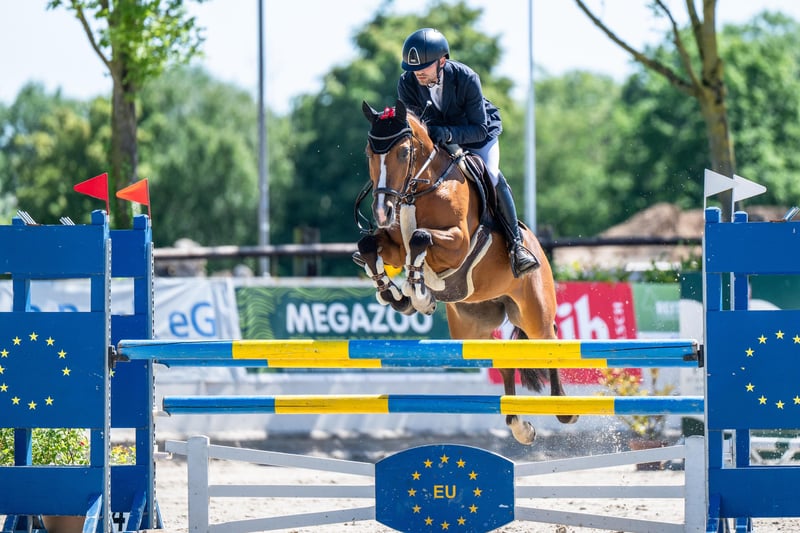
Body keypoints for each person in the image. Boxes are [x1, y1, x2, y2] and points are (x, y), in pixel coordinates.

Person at [397, 27, 540, 277]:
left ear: (442, 61)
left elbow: (479, 128)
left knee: (492, 175)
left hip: (476, 134)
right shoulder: (407, 82)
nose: (418, 72)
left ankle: (516, 246)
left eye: (425, 66)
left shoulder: (466, 77)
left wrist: (448, 134)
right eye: (413, 68)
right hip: (437, 137)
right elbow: (415, 125)